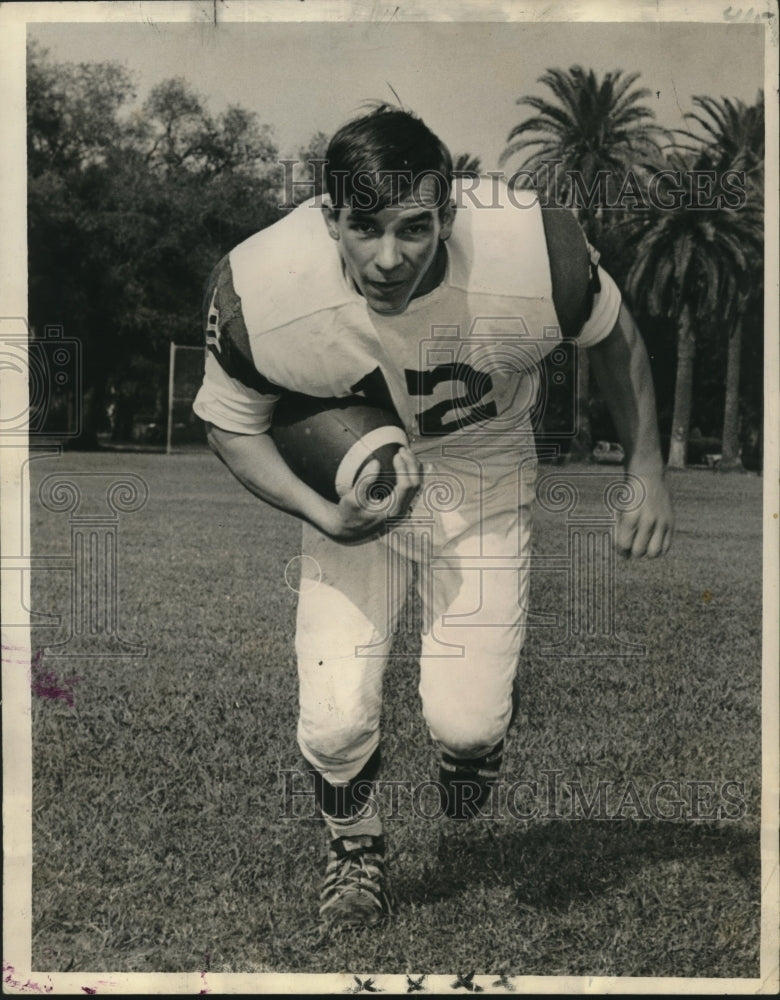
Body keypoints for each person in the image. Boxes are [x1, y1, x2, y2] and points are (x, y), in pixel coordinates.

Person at [192, 106, 673, 930]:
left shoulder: (530, 251)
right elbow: (230, 422)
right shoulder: (263, 287)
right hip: (359, 477)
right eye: (365, 227)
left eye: (415, 228)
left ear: (448, 213)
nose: (389, 257)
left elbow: (614, 333)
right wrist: (322, 510)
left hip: (482, 470)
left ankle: (472, 751)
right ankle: (355, 846)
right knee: (335, 714)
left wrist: (646, 469)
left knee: (467, 718)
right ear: (327, 215)